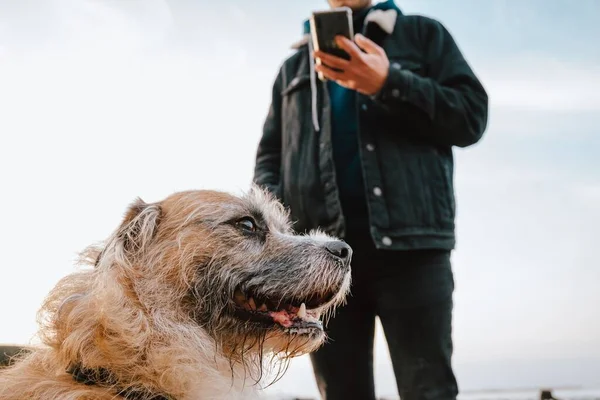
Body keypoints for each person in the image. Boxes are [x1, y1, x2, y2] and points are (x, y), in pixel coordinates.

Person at [252, 0, 488, 399]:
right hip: (318, 262)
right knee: (342, 393)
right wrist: (276, 241)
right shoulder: (293, 69)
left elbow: (471, 117)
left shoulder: (423, 36)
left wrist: (388, 83)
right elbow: (269, 161)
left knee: (429, 390)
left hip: (414, 252)